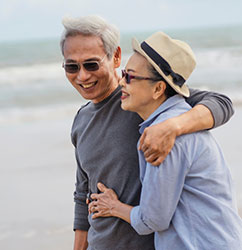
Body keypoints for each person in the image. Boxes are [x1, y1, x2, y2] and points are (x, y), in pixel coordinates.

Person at [60, 15, 234, 250]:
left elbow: (222, 103)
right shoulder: (82, 120)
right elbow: (83, 196)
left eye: (91, 64)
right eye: (72, 66)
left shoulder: (149, 102)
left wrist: (172, 127)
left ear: (116, 57)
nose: (82, 76)